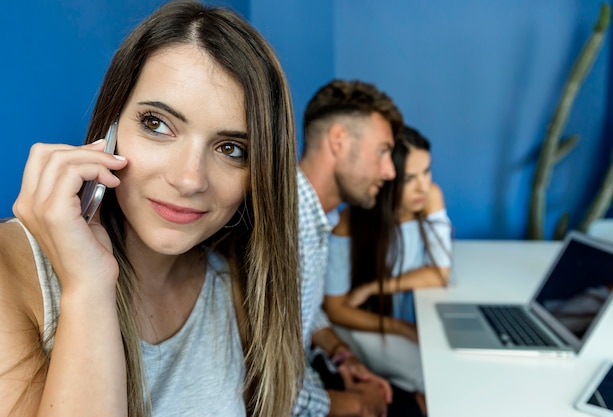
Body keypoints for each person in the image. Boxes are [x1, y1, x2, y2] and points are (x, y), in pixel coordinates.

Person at [0, 2, 303, 416]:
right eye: (157, 124)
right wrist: (88, 286)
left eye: (231, 149)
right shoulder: (10, 269)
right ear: (110, 127)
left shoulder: (236, 282)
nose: (189, 179)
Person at [295, 79, 422, 416]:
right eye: (382, 151)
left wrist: (341, 355)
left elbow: (304, 312)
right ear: (338, 140)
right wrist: (357, 405)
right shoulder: (286, 229)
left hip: (315, 374)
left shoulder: (316, 217)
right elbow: (261, 387)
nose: (390, 170)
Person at [324, 125, 453, 415]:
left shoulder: (429, 197)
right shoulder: (350, 221)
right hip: (364, 323)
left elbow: (439, 273)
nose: (423, 186)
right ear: (386, 176)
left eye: (426, 171)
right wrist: (401, 328)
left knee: (448, 365)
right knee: (436, 375)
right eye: (409, 178)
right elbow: (335, 309)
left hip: (404, 318)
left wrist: (375, 286)